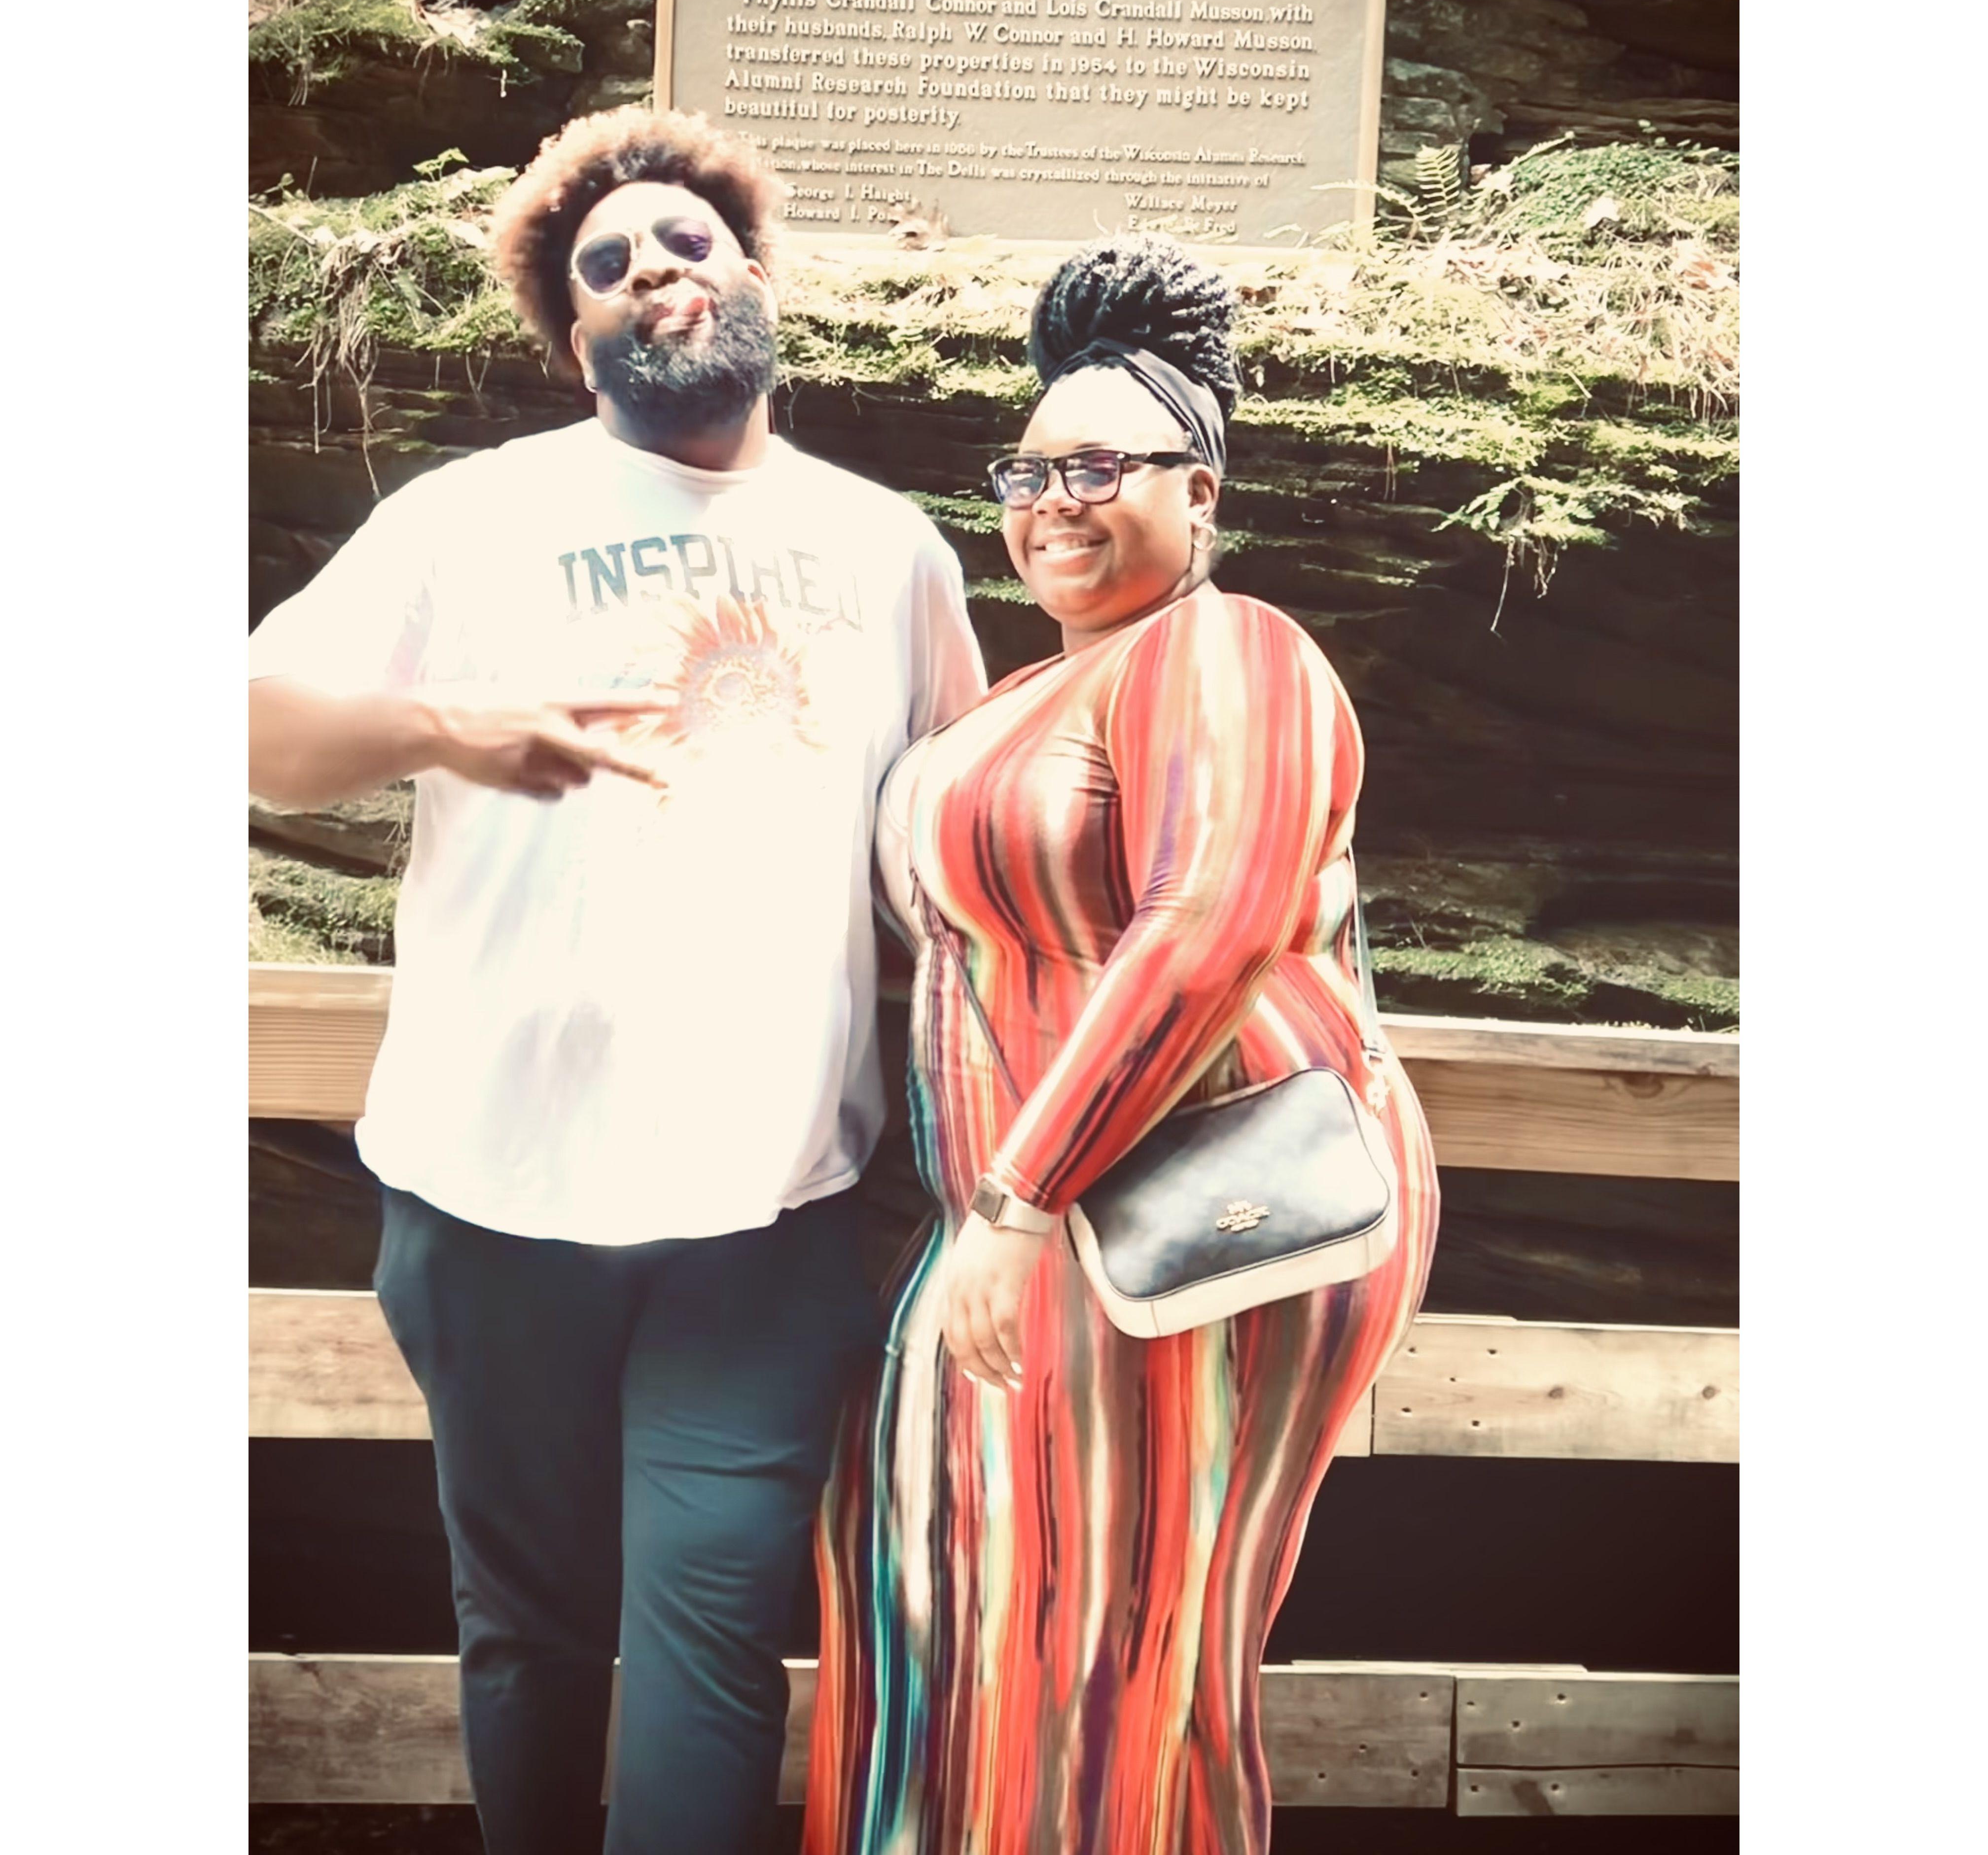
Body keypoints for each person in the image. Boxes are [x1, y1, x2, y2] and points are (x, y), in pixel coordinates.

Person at [247, 106, 986, 1855]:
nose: (653, 267)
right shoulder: (471, 515)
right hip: (489, 1198)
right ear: (575, 341)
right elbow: (251, 732)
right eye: (607, 265)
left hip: (767, 1213)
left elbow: (961, 842)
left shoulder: (891, 548)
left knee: (709, 1638)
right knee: (530, 1630)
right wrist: (446, 728)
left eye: (686, 240)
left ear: (754, 278)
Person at [805, 236, 1441, 1855]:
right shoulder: (1028, 692)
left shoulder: (1232, 650)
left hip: (1169, 1217)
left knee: (1096, 1634)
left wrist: (1017, 1203)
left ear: (1200, 491)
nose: (1056, 502)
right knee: (969, 1599)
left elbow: (1209, 922)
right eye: (1030, 472)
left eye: (1103, 467)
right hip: (1032, 1222)